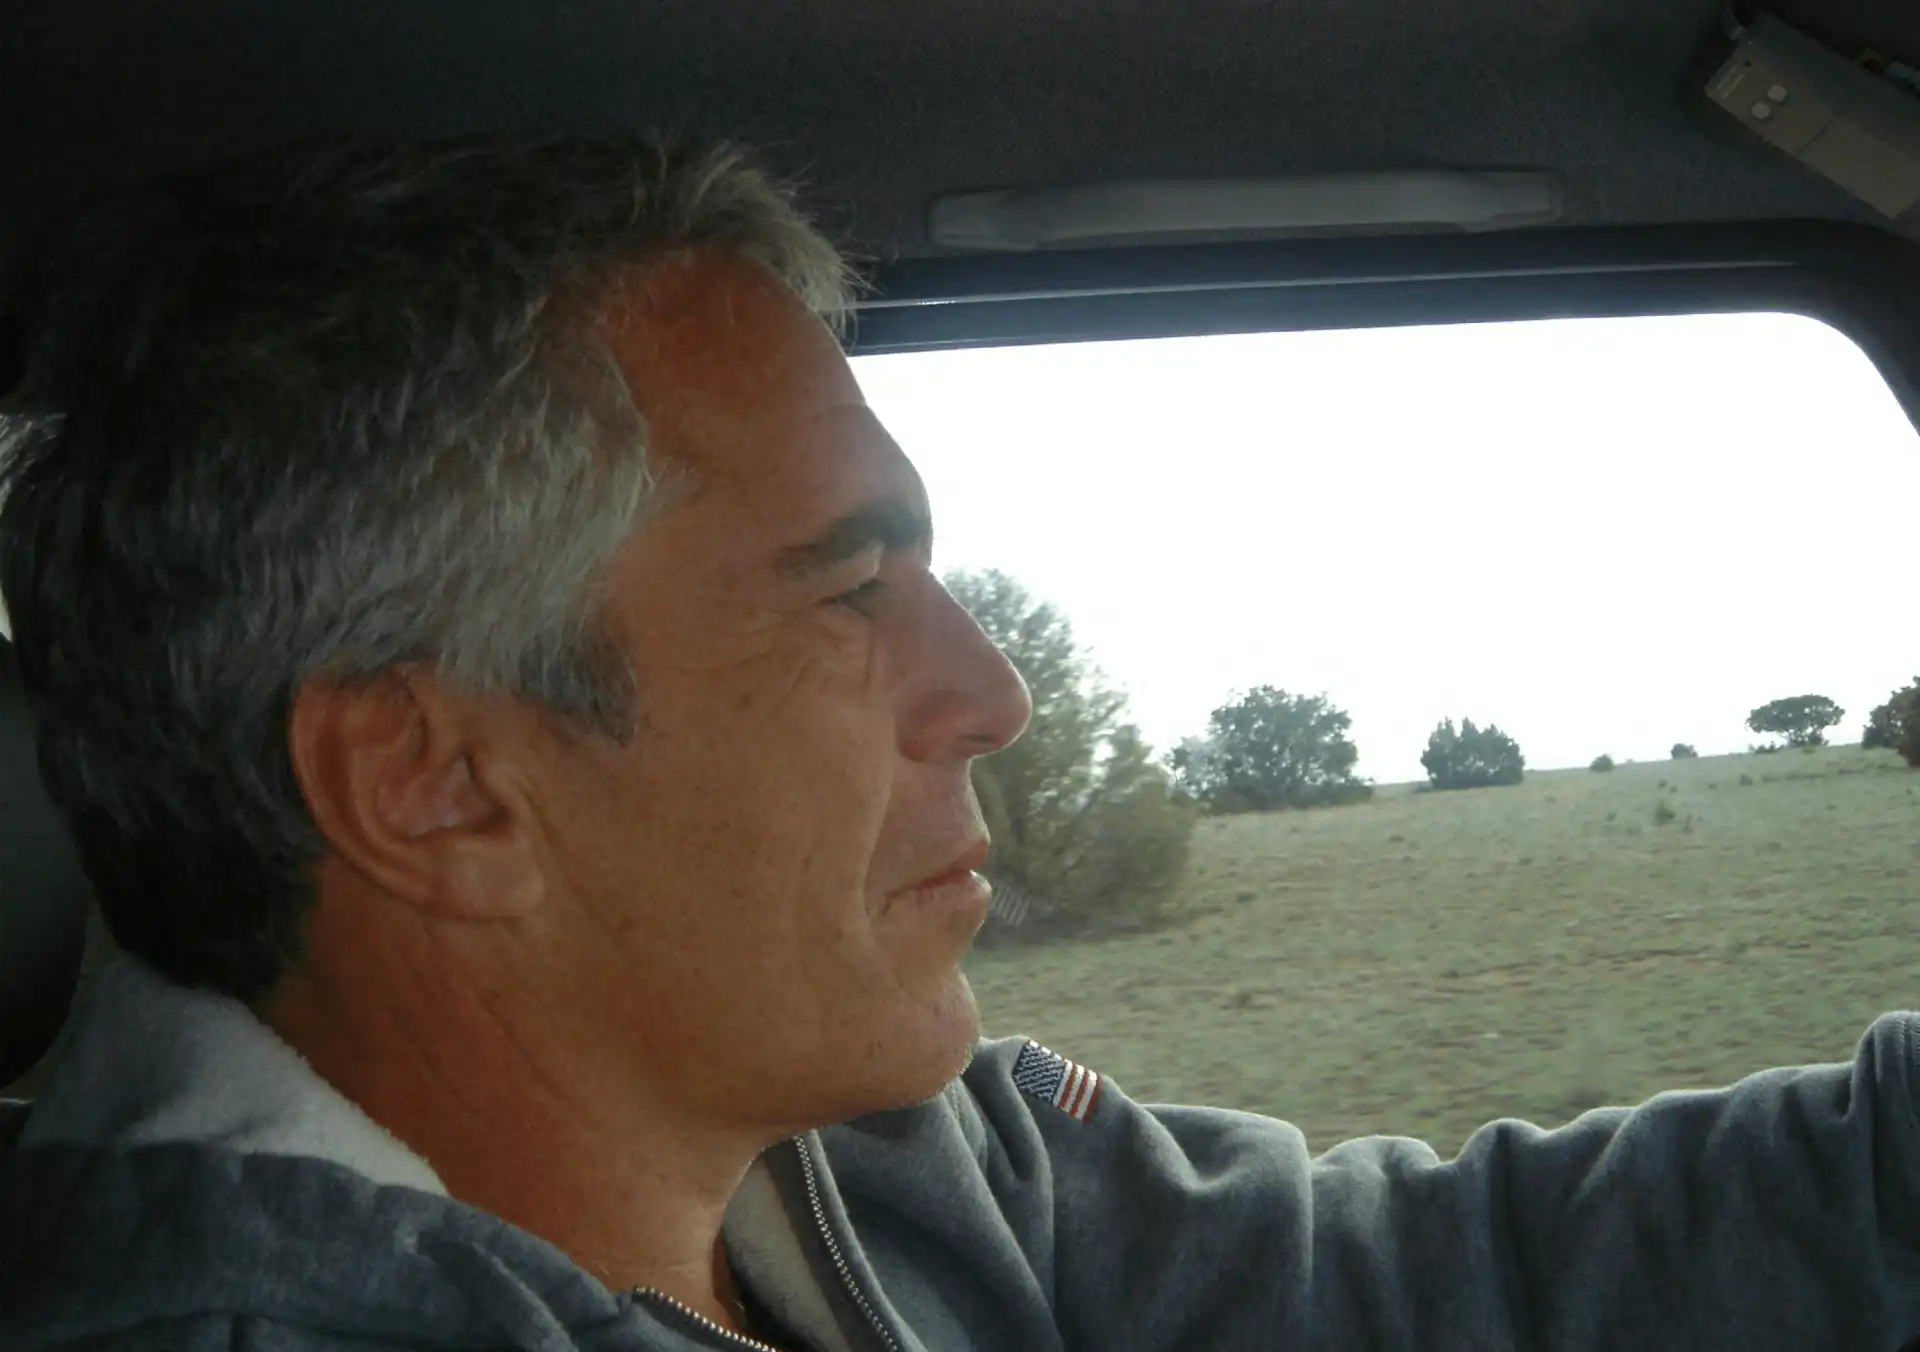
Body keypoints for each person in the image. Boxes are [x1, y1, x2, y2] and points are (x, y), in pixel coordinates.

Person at [0, 135, 1917, 1352]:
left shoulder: (871, 1146)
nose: (987, 693)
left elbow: (1422, 1285)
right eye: (852, 594)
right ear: (439, 784)